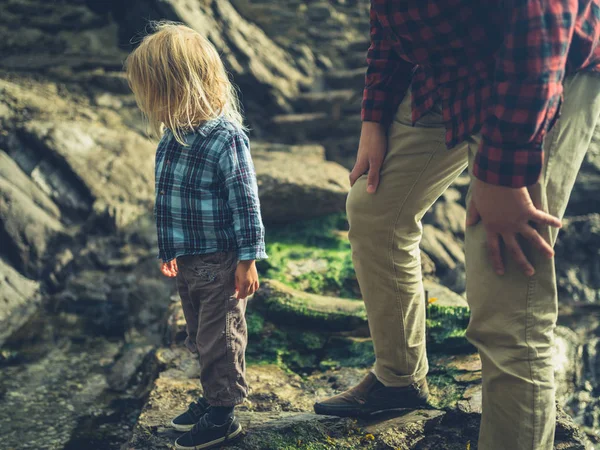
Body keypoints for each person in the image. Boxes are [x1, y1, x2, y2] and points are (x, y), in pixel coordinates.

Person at [313, 1, 600, 449]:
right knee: (374, 210)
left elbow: (542, 27)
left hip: (543, 71)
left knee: (507, 297)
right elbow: (387, 16)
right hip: (452, 64)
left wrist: (502, 177)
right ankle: (399, 379)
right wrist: (374, 117)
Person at [125, 22, 267, 450]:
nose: (150, 105)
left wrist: (248, 259)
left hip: (222, 262)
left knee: (220, 337)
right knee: (197, 336)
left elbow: (246, 201)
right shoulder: (172, 138)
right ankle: (211, 399)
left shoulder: (225, 139)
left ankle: (224, 415)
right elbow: (169, 200)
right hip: (189, 261)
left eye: (154, 93)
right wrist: (170, 251)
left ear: (178, 87)